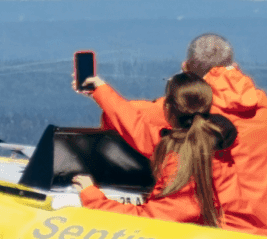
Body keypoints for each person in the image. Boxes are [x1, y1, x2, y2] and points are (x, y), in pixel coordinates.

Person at [98, 33, 267, 224]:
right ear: (235, 67)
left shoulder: (181, 111)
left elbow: (122, 119)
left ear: (186, 68)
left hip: (223, 230)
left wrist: (100, 90)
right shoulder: (263, 108)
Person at [74, 72, 265, 232]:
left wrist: (92, 197)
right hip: (248, 234)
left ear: (166, 109)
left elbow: (152, 220)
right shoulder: (217, 144)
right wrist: (100, 90)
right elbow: (136, 127)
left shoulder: (185, 162)